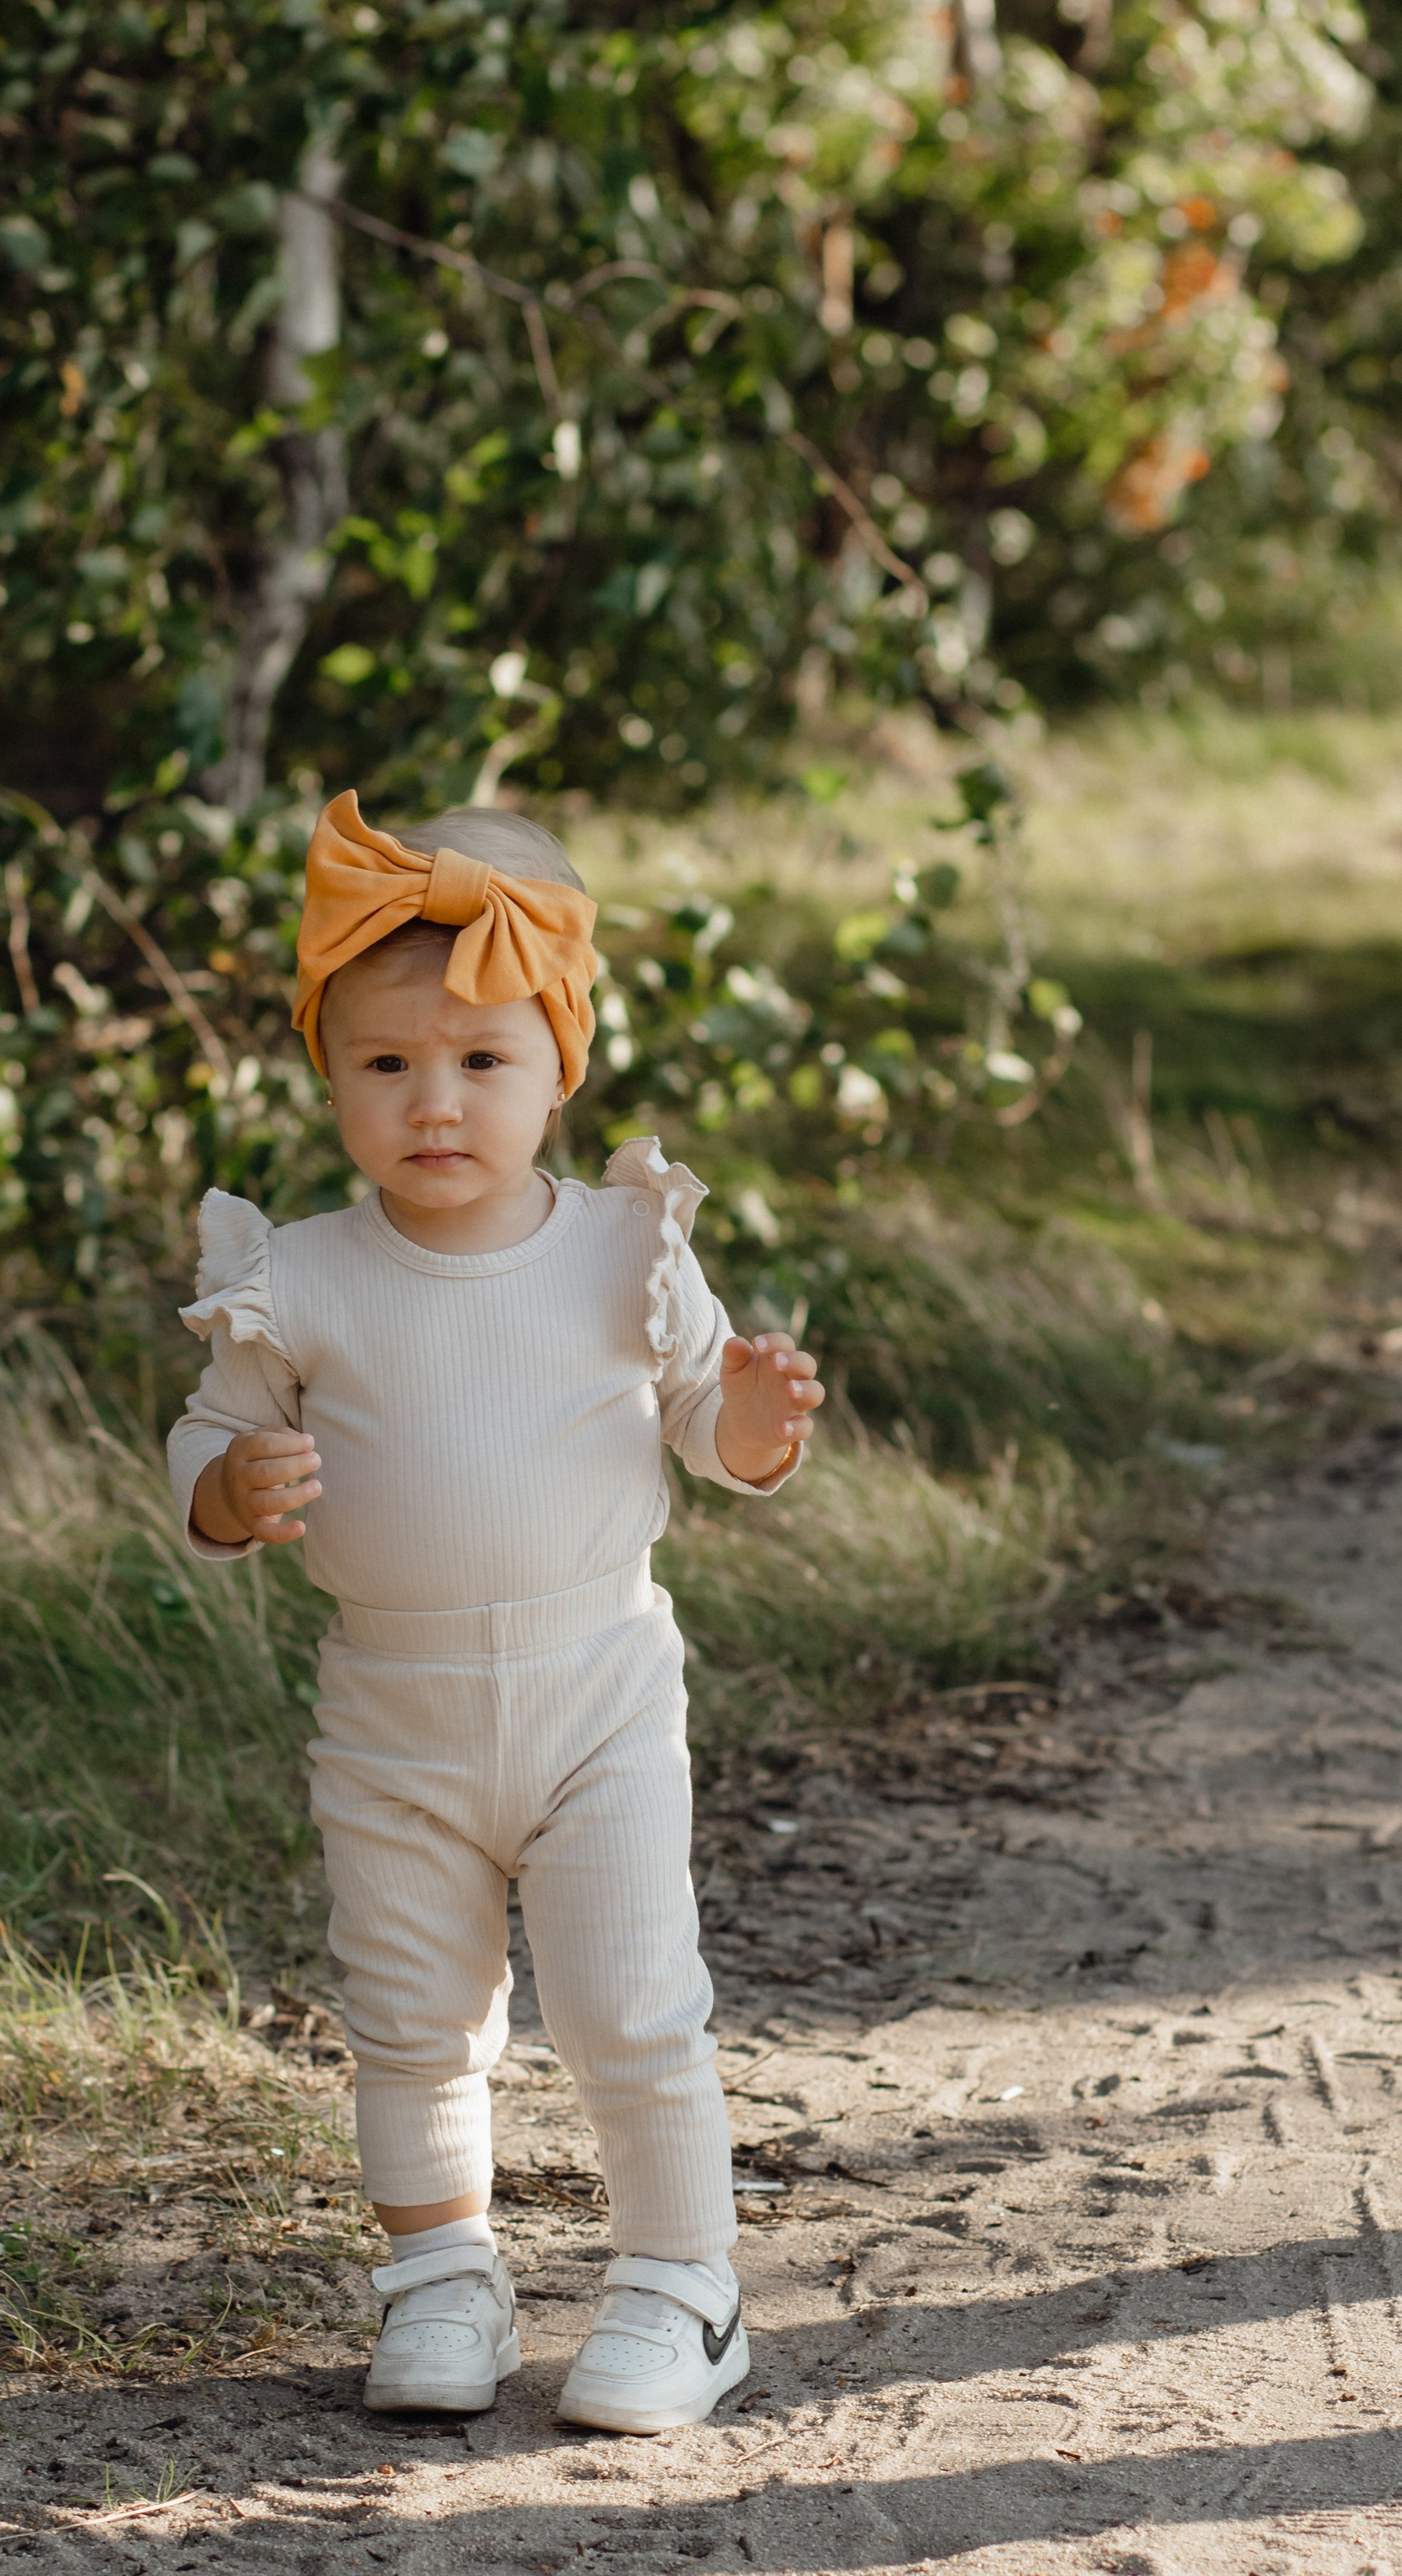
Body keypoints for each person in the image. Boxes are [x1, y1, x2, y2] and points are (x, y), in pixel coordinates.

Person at [167, 792, 821, 2432]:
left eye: (479, 1062)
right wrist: (230, 1485)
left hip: (595, 1684)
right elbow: (202, 1435)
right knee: (408, 2015)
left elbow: (708, 1441)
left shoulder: (622, 1246)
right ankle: (440, 2274)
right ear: (329, 1074)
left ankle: (684, 2283)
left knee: (625, 1998)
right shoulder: (303, 1273)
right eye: (386, 1065)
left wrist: (751, 1415)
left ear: (557, 1067)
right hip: (388, 1714)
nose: (433, 1103)